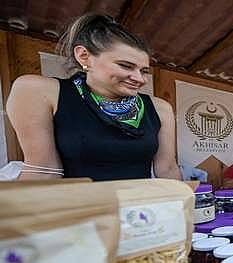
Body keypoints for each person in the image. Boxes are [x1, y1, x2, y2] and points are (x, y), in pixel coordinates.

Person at [6, 14, 181, 181]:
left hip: (138, 210)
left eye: (143, 71)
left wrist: (186, 207)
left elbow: (167, 169)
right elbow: (44, 171)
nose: (140, 79)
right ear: (84, 56)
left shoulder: (160, 108)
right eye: (125, 66)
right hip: (80, 208)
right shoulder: (40, 91)